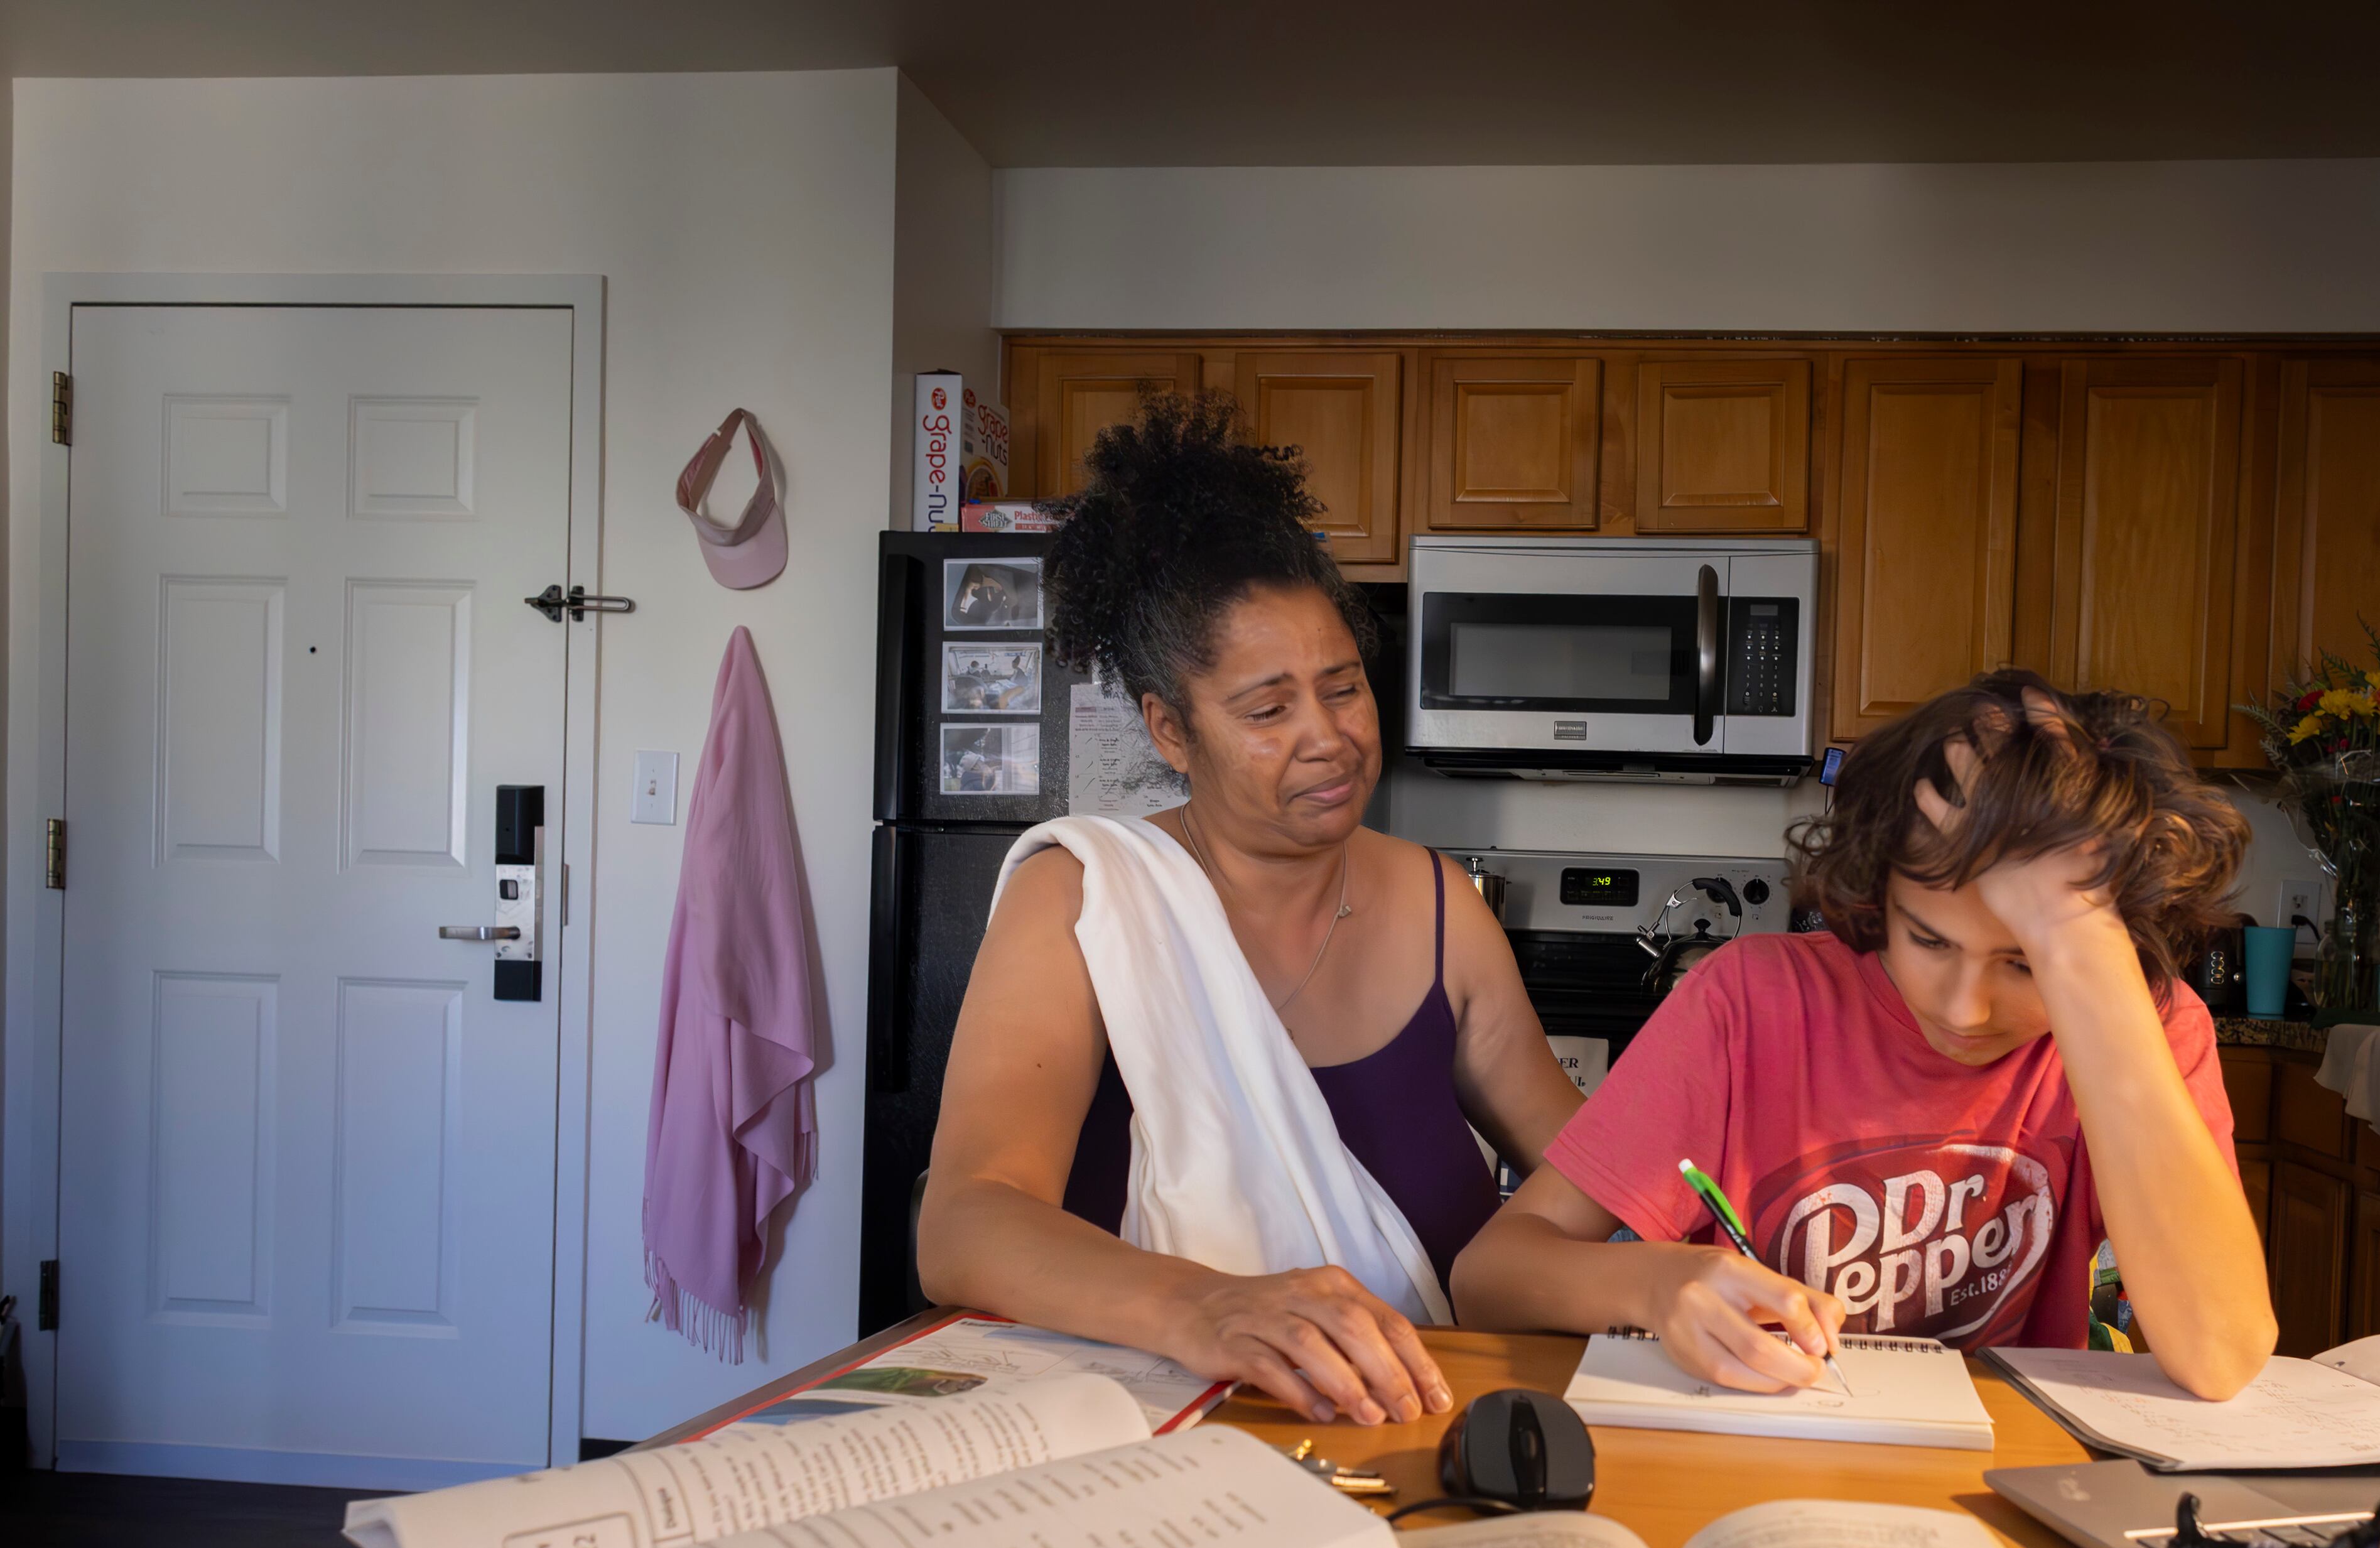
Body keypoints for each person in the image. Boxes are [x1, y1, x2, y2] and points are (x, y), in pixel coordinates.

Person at [921, 393, 1585, 1426]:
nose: (1327, 737)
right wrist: (1212, 1308)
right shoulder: (1088, 899)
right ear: (1171, 731)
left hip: (1416, 1426)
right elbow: (963, 1225)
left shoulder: (1443, 906)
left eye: (1345, 688)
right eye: (1268, 710)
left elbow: (1591, 1172)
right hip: (1150, 1442)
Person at [1452, 672, 2276, 1400]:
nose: (1962, 1009)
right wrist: (1660, 1283)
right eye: (1929, 940)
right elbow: (1489, 1280)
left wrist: (2082, 953)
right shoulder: (1750, 1000)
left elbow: (2222, 1355)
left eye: (2025, 965)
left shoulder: (2154, 1028)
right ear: (1877, 894)